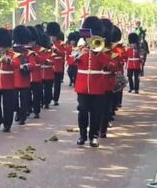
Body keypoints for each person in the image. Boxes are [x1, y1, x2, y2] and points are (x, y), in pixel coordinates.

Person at [70, 16, 114, 148]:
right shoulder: (81, 48)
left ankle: (93, 136)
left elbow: (111, 65)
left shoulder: (103, 50)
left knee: (96, 112)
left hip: (97, 86)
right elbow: (71, 61)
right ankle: (82, 135)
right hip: (83, 86)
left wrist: (98, 53)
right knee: (82, 110)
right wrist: (80, 54)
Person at [0, 27, 15, 132]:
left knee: (8, 105)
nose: (1, 48)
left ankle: (7, 124)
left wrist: (9, 61)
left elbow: (18, 64)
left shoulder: (13, 54)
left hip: (9, 83)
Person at [12, 25, 32, 126]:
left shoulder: (28, 52)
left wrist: (27, 65)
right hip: (14, 79)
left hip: (24, 79)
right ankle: (18, 112)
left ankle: (22, 117)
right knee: (14, 100)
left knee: (24, 100)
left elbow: (32, 64)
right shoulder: (12, 51)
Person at [47, 22, 66, 106]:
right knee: (49, 83)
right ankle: (49, 97)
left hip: (58, 65)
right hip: (50, 65)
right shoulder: (47, 43)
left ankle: (56, 99)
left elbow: (64, 53)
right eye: (51, 36)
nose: (52, 38)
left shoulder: (61, 44)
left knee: (57, 83)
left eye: (53, 36)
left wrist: (56, 50)